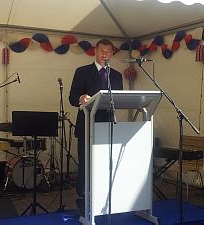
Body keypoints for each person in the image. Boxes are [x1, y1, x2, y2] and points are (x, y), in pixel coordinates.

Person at [69, 39, 123, 215]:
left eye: (108, 52)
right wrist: (81, 98)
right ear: (95, 51)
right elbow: (72, 97)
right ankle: (83, 196)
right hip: (86, 124)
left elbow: (119, 100)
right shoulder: (82, 71)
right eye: (102, 51)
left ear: (112, 54)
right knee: (86, 163)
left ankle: (105, 195)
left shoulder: (116, 76)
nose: (105, 54)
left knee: (105, 163)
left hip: (107, 125)